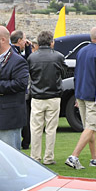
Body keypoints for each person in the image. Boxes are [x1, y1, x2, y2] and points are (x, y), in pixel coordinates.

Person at [66, 27, 96, 169]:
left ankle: (94, 158)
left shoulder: (82, 51)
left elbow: (77, 75)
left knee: (89, 127)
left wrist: (77, 96)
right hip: (92, 95)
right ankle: (74, 156)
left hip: (81, 94)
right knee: (91, 127)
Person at [27, 30, 63, 165]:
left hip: (37, 96)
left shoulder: (32, 57)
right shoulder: (58, 57)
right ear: (51, 42)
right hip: (54, 96)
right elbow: (63, 73)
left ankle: (35, 157)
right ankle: (48, 157)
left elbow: (30, 75)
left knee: (36, 128)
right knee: (51, 129)